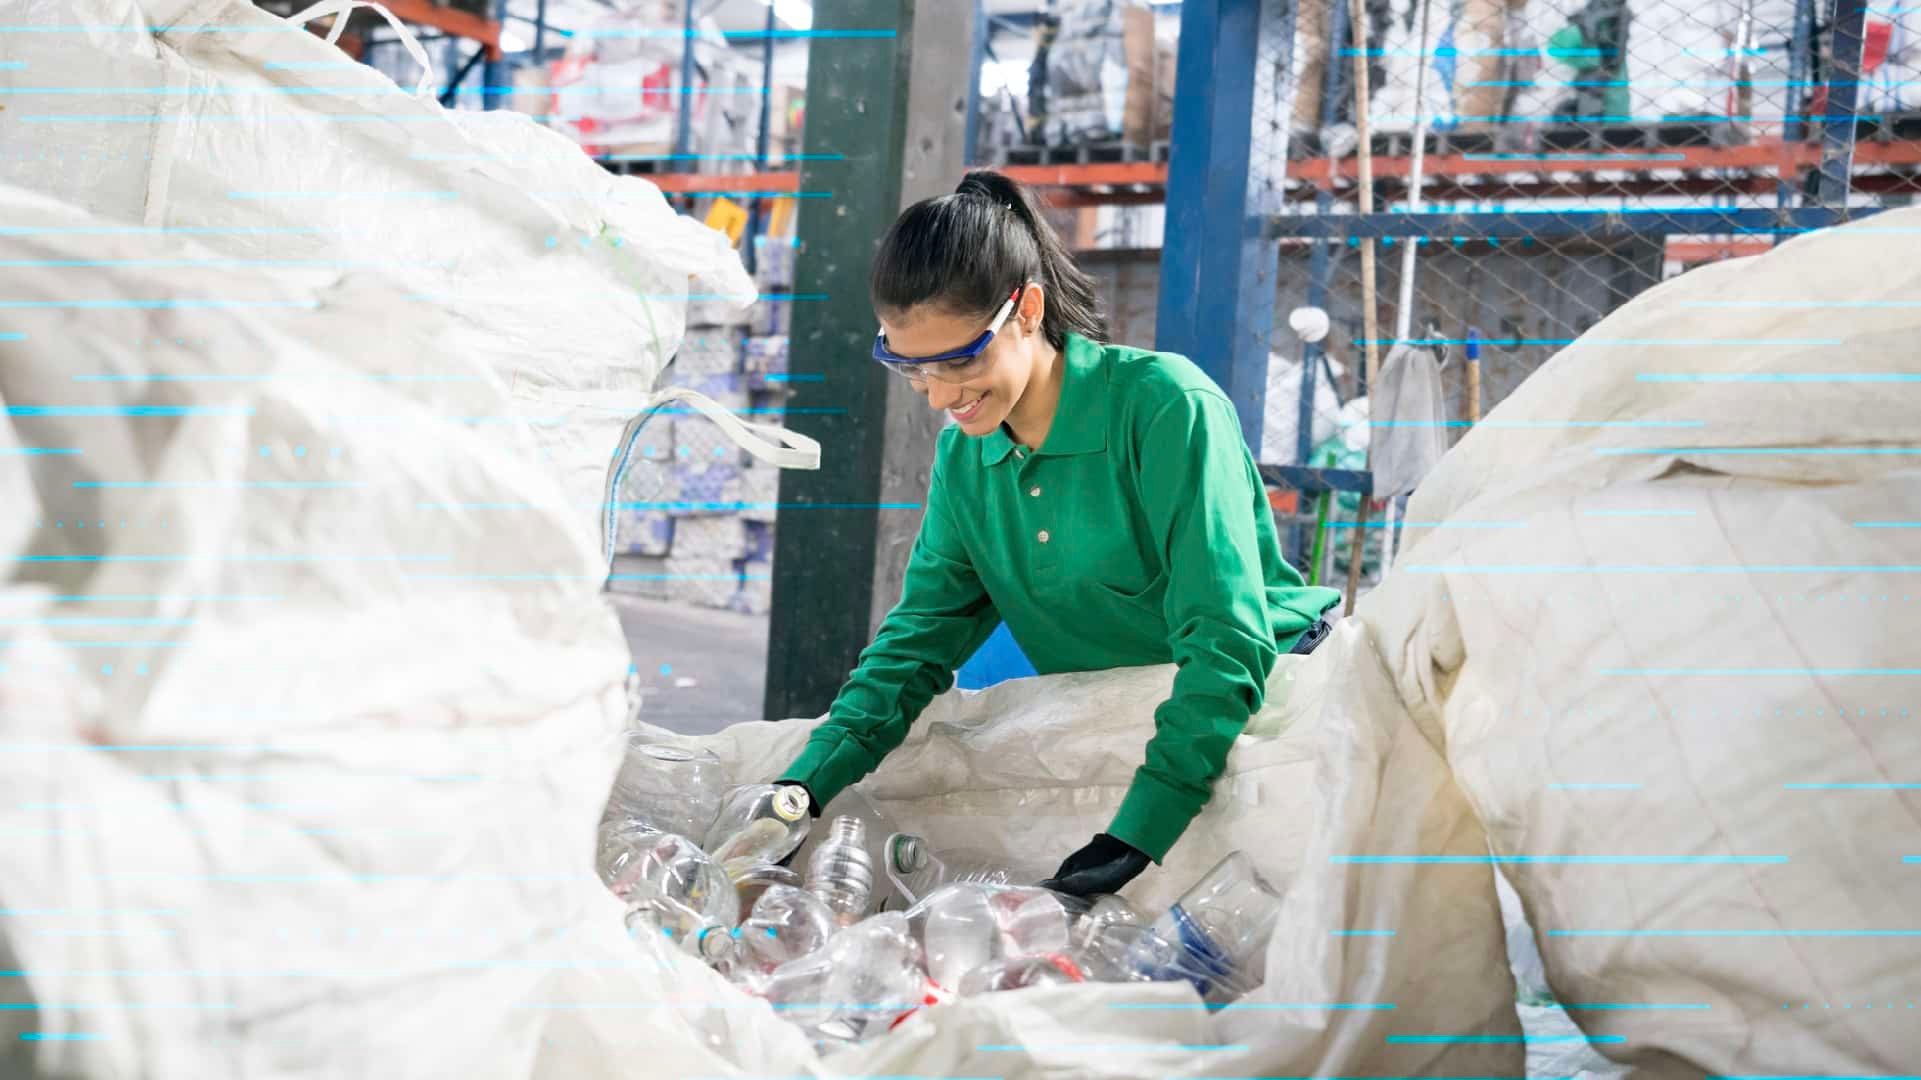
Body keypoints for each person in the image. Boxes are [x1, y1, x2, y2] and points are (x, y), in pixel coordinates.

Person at [774, 170, 1342, 898]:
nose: (942, 397)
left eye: (961, 360)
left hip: (1260, 708)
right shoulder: (968, 454)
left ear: (1027, 310)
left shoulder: (1165, 407)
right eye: (911, 369)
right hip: (1125, 718)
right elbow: (916, 642)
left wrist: (1141, 824)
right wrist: (802, 786)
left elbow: (1223, 637)